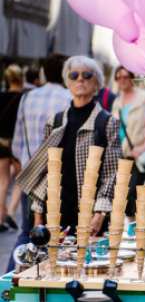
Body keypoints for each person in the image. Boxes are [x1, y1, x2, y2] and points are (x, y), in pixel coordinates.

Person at [16, 56, 121, 237]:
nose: (80, 79)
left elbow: (111, 174)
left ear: (97, 84)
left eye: (87, 75)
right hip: (56, 213)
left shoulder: (106, 122)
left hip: (89, 217)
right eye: (74, 75)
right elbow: (45, 171)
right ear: (67, 82)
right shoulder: (55, 122)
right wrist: (39, 214)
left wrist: (100, 214)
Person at [7, 53, 71, 272]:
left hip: (30, 173)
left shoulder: (27, 98)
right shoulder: (69, 99)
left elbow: (17, 144)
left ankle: (9, 283)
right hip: (56, 176)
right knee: (57, 231)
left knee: (27, 231)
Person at [112, 66, 145, 223]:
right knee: (123, 192)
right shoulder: (117, 102)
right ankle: (132, 226)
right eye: (119, 77)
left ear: (132, 77)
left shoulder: (144, 98)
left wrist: (143, 146)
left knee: (133, 190)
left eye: (125, 76)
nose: (122, 80)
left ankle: (139, 226)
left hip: (139, 155)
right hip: (122, 154)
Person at [0, 64, 25, 233]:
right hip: (17, 142)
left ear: (8, 80)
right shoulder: (24, 98)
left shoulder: (0, 96)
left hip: (1, 141)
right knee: (21, 179)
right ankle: (10, 212)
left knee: (3, 181)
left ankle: (0, 219)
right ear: (21, 79)